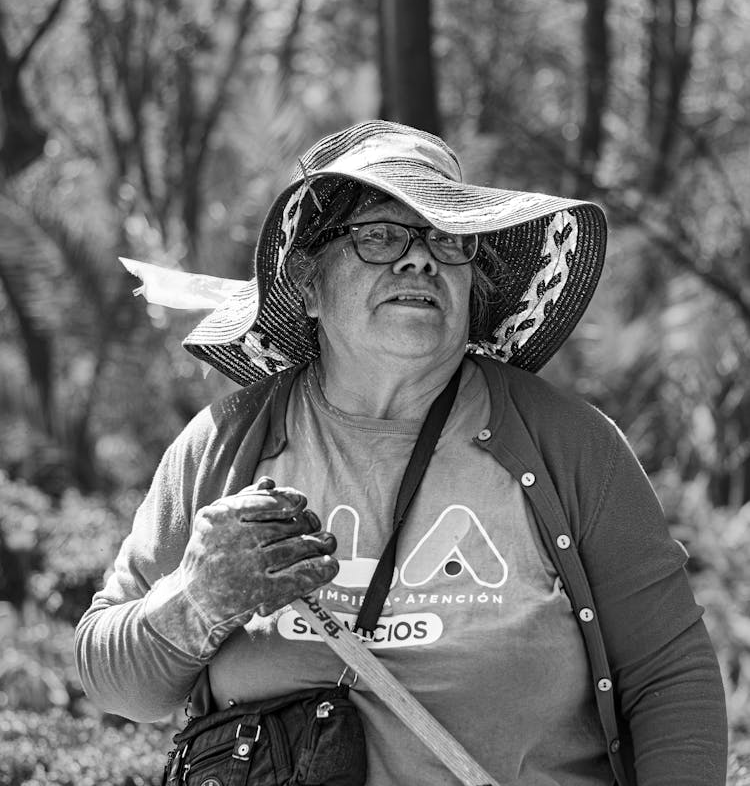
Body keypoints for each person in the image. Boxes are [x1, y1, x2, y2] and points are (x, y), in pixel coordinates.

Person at [75, 119, 727, 785]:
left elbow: (669, 675)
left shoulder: (572, 447)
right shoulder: (222, 446)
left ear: (474, 283)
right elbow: (113, 679)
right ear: (307, 280)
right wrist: (198, 599)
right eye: (378, 234)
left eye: (445, 237)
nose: (418, 259)